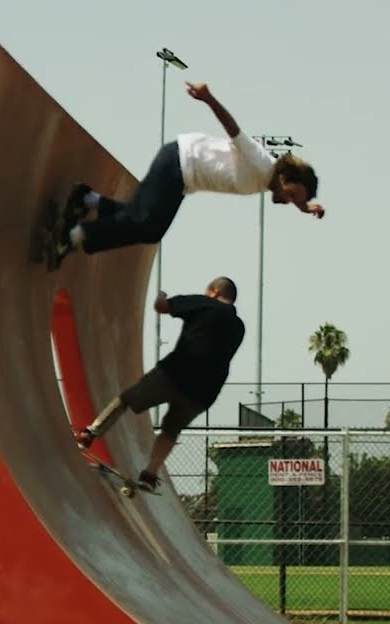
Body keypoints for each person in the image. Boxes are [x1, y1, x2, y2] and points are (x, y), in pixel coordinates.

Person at [50, 82, 324, 269]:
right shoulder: (261, 163)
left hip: (183, 179)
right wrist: (208, 97)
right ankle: (73, 235)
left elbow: (297, 196)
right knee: (142, 221)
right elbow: (233, 128)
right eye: (290, 195)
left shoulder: (274, 181)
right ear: (285, 178)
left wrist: (305, 207)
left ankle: (87, 200)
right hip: (179, 162)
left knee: (151, 228)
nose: (287, 201)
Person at [76, 276, 246, 488]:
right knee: (171, 430)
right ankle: (150, 473)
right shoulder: (239, 328)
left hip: (175, 374)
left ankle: (90, 433)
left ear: (214, 291)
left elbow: (162, 307)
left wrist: (161, 295)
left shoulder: (205, 303)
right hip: (204, 393)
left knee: (126, 398)